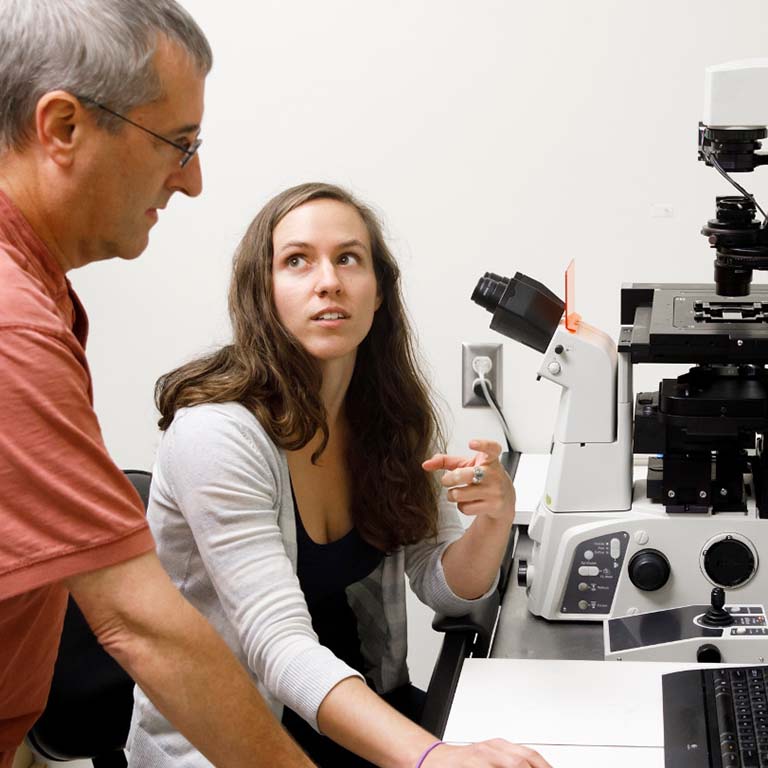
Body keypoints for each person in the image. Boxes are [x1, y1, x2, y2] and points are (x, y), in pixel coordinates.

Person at [129, 182, 551, 768]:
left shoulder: (387, 418)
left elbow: (442, 583)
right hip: (240, 745)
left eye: (348, 258)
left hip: (361, 714)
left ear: (378, 293)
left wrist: (493, 520)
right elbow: (279, 646)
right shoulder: (218, 435)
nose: (328, 280)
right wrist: (432, 757)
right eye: (297, 260)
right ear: (263, 292)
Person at [0, 2, 315, 766]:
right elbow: (139, 625)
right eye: (177, 143)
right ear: (64, 127)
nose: (194, 181)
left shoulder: (37, 294)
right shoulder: (12, 327)